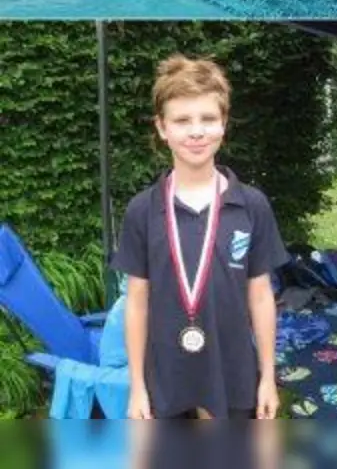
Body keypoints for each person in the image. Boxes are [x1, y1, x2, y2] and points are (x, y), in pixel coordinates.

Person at [113, 56, 290, 419]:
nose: (196, 132)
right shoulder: (142, 210)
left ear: (224, 123)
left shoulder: (251, 205)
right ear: (161, 128)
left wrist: (268, 377)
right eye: (182, 120)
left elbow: (260, 296)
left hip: (233, 371)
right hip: (165, 376)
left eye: (208, 118)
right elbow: (136, 302)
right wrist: (137, 387)